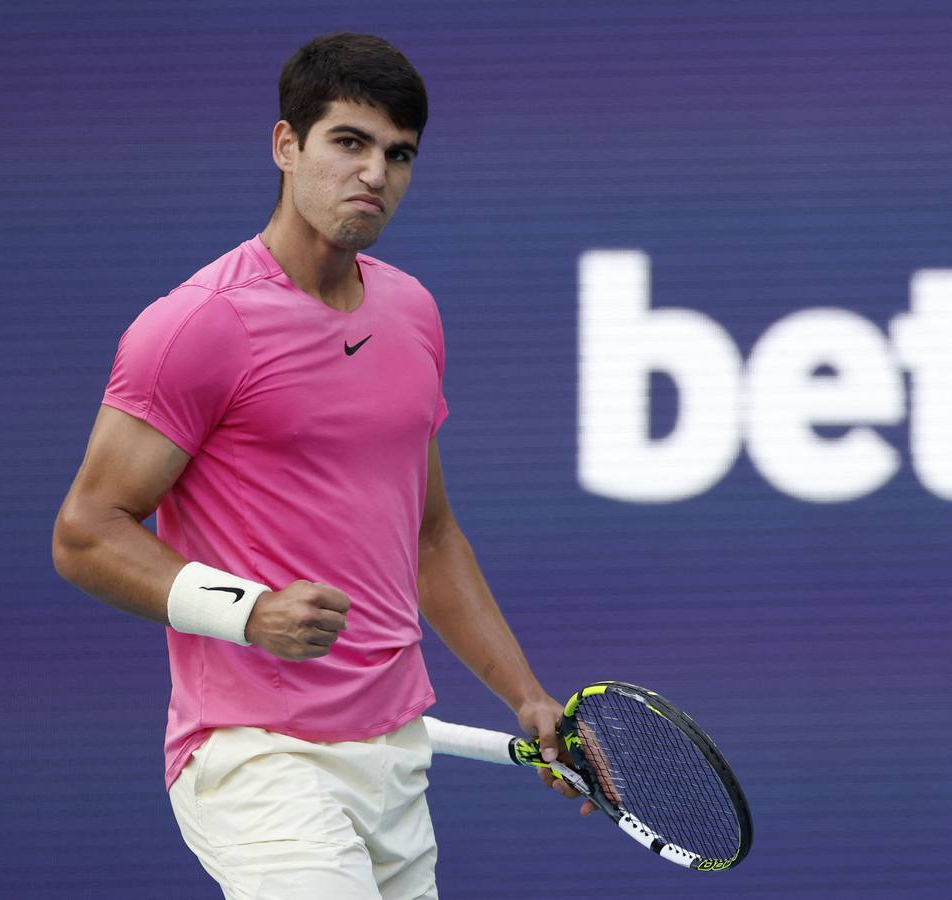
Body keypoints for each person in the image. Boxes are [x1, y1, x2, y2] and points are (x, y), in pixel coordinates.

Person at [51, 32, 581, 899]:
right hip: (256, 761)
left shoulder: (412, 311)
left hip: (393, 758)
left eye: (398, 154)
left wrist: (525, 696)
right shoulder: (198, 325)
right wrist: (248, 611)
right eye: (349, 142)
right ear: (286, 145)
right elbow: (84, 534)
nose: (374, 173)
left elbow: (430, 537)